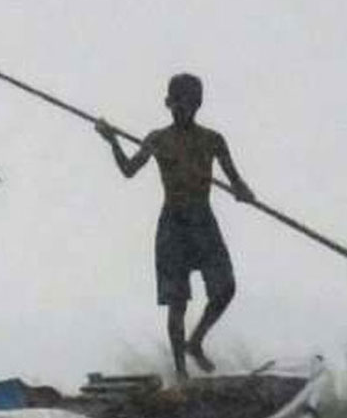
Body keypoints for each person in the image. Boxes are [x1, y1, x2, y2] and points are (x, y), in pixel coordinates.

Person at [95, 72, 255, 379]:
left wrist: (243, 192)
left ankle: (195, 342)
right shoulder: (158, 140)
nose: (183, 109)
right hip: (173, 225)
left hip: (203, 222)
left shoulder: (213, 140)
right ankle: (182, 373)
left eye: (190, 103)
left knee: (225, 288)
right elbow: (129, 170)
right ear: (168, 103)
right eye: (178, 103)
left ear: (198, 104)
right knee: (177, 302)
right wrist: (112, 141)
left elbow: (236, 181)